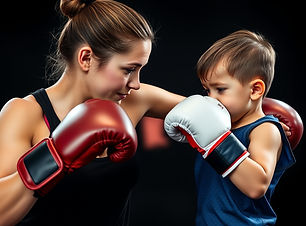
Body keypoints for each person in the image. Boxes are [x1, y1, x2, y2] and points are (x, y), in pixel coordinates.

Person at [0, 0, 184, 225]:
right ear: (86, 58)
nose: (135, 83)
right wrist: (55, 155)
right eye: (129, 70)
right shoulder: (25, 113)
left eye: (139, 70)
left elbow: (214, 112)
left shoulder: (132, 100)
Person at [164, 30, 297, 225]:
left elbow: (257, 186)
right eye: (207, 90)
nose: (211, 98)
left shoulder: (265, 130)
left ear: (255, 90)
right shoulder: (220, 123)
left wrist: (217, 143)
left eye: (220, 89)